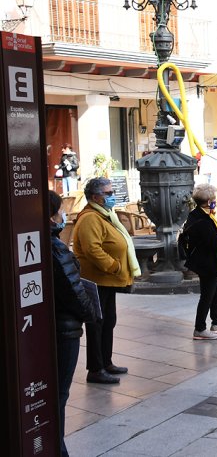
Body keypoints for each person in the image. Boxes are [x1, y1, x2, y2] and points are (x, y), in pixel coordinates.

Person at [73, 177, 140, 384]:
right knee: (97, 324)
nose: (112, 196)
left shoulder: (105, 214)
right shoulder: (90, 218)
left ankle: (106, 362)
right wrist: (114, 266)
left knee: (108, 321)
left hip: (108, 280)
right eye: (108, 193)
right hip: (97, 280)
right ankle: (95, 369)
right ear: (95, 197)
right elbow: (93, 249)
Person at [49, 190, 98, 457]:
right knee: (59, 393)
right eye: (58, 211)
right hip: (65, 328)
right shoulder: (55, 247)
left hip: (55, 324)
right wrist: (90, 313)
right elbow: (73, 289)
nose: (63, 215)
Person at [181, 184, 217, 340]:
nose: (215, 201)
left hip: (208, 261)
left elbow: (212, 236)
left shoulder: (199, 214)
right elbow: (216, 242)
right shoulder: (202, 220)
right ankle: (199, 329)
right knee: (207, 296)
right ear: (208, 201)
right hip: (206, 263)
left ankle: (216, 322)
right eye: (213, 199)